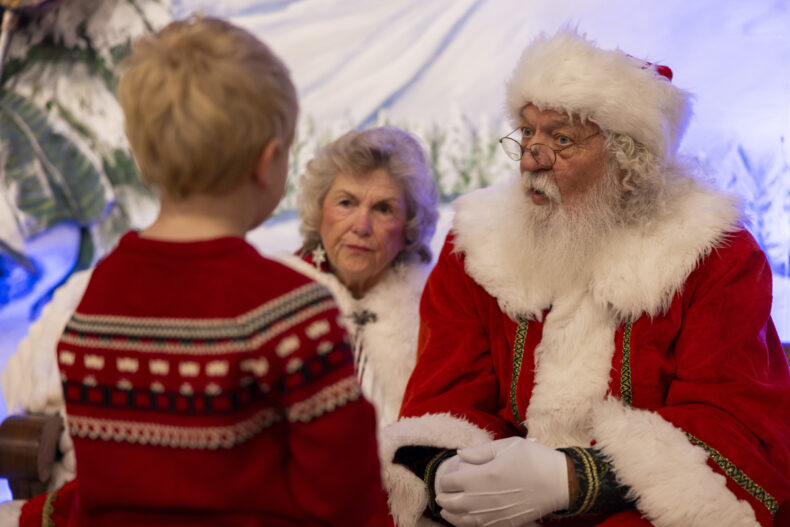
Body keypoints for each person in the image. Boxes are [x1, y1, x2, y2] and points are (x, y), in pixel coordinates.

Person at [380, 29, 790, 527]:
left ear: (628, 161)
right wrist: (453, 471)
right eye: (527, 132)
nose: (533, 156)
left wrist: (575, 478)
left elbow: (735, 421)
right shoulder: (477, 246)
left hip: (641, 508)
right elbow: (446, 392)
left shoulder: (712, 256)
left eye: (561, 139)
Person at [13, 15, 388, 526]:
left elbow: (107, 483)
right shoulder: (292, 308)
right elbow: (348, 498)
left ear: (143, 160)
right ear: (268, 162)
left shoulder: (101, 291)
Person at [274, 126, 439, 428]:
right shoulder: (276, 299)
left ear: (409, 227)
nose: (361, 226)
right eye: (346, 203)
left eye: (384, 209)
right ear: (319, 208)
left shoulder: (435, 315)